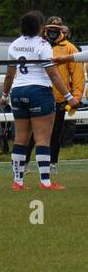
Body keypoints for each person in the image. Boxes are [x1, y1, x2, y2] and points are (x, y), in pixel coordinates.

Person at [5, 11, 77, 190]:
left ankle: (18, 181)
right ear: (40, 27)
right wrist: (69, 97)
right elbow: (52, 74)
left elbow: (9, 75)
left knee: (20, 139)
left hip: (18, 92)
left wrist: (5, 95)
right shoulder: (43, 44)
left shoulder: (14, 44)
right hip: (39, 92)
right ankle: (45, 181)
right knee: (42, 139)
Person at [24, 16, 81, 178]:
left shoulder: (70, 48)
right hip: (38, 95)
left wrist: (75, 96)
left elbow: (76, 75)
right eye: (50, 29)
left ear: (61, 30)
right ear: (45, 29)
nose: (53, 33)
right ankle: (25, 162)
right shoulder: (37, 46)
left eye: (56, 30)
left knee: (55, 134)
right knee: (33, 133)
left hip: (59, 98)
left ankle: (52, 164)